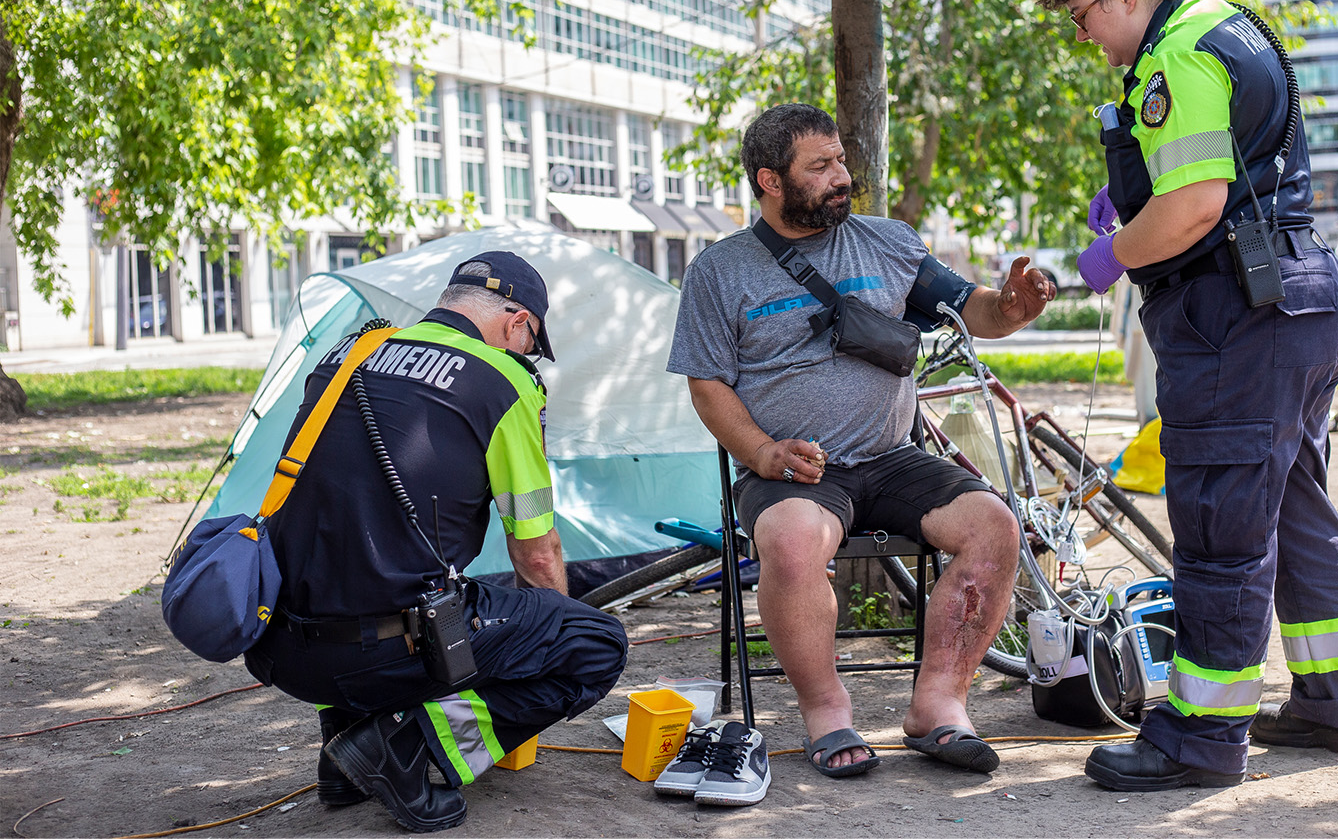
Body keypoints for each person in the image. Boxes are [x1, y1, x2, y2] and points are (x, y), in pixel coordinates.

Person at [1034, 0, 1338, 792]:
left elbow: (1192, 208)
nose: (1086, 38)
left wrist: (1112, 252)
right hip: (1299, 295)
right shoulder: (1227, 23)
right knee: (1296, 504)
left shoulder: (1175, 55)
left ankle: (1200, 736)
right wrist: (1135, 213)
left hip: (1241, 314)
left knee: (1223, 523)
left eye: (1082, 17)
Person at [667, 103, 1055, 778]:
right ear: (769, 181)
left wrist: (1013, 308)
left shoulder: (889, 242)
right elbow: (707, 387)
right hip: (794, 470)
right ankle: (827, 710)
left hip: (893, 458)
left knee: (995, 524)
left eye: (841, 159)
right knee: (789, 542)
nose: (841, 175)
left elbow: (976, 310)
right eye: (820, 167)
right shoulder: (718, 272)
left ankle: (937, 705)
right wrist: (762, 452)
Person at [244, 251, 628, 832]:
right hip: (381, 652)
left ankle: (343, 752)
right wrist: (544, 624)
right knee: (593, 643)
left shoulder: (346, 355)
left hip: (276, 647)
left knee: (355, 555)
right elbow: (537, 551)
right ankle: (402, 745)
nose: (527, 356)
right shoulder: (502, 382)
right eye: (529, 344)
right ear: (518, 322)